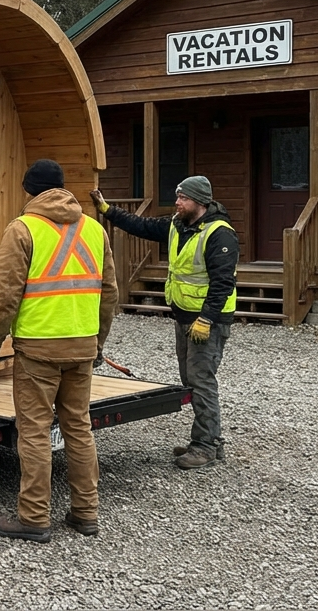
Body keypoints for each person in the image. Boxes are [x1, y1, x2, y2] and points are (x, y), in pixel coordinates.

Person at [0, 159, 117, 543]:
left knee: (36, 433)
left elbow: (4, 295)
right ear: (62, 187)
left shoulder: (23, 229)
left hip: (38, 350)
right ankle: (85, 513)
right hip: (82, 346)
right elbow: (110, 293)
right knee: (79, 428)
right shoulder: (93, 229)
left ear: (29, 191)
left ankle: (34, 518)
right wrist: (98, 343)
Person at [91, 175, 238, 470]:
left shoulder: (220, 234)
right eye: (178, 196)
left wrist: (206, 319)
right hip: (185, 317)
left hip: (207, 321)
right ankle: (211, 439)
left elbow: (223, 282)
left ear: (199, 201)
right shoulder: (177, 226)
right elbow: (142, 226)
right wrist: (108, 210)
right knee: (192, 379)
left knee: (201, 380)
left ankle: (205, 447)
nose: (177, 202)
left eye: (182, 198)